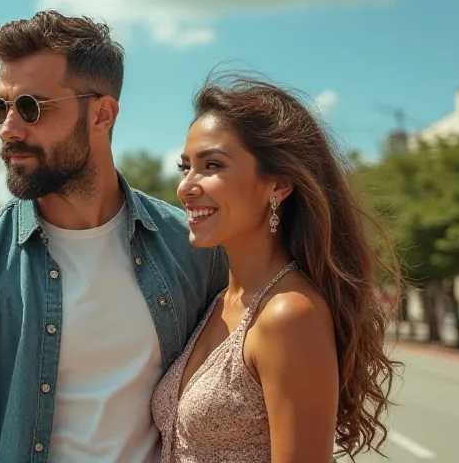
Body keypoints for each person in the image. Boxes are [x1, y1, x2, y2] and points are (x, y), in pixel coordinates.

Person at [0, 10, 228, 463]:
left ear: (102, 114)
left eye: (31, 107)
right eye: (0, 108)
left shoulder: (193, 250)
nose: (9, 129)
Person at [151, 75, 403, 462]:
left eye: (212, 165)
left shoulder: (288, 315)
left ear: (279, 185)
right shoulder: (219, 301)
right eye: (186, 167)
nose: (186, 186)